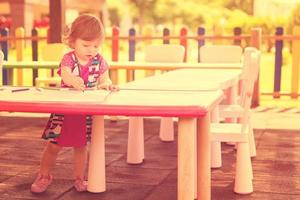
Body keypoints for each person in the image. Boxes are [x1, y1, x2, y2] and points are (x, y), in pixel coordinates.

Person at [31, 14, 118, 193]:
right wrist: (72, 79)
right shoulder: (69, 59)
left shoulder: (99, 61)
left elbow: (104, 79)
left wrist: (106, 85)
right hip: (65, 111)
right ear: (72, 41)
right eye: (85, 45)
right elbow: (65, 74)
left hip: (85, 112)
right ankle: (44, 175)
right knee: (54, 145)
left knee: (81, 146)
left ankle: (80, 178)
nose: (91, 49)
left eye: (96, 45)